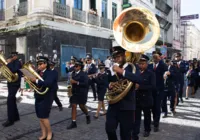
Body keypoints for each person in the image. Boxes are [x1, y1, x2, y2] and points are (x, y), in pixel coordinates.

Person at [105, 46, 141, 140]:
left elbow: (138, 79)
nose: (118, 58)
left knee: (125, 135)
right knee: (109, 129)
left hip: (127, 106)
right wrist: (109, 85)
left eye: (120, 55)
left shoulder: (133, 67)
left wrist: (121, 71)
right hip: (113, 105)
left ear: (125, 55)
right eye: (115, 57)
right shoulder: (112, 69)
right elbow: (106, 81)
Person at [29, 56, 55, 140]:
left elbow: (48, 83)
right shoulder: (38, 72)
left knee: (44, 117)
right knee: (40, 117)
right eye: (38, 64)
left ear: (45, 64)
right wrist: (29, 82)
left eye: (40, 64)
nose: (38, 65)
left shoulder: (51, 72)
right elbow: (36, 85)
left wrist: (35, 80)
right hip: (38, 95)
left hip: (47, 97)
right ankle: (44, 134)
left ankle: (50, 133)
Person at [132, 54, 156, 139]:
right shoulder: (135, 72)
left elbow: (153, 87)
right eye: (140, 63)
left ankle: (147, 130)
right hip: (137, 99)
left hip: (146, 99)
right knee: (137, 118)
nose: (141, 65)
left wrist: (140, 87)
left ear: (147, 64)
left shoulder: (151, 74)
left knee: (147, 116)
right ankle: (135, 132)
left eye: (143, 63)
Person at [67, 60, 91, 129]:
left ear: (80, 67)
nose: (75, 67)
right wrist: (70, 88)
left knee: (81, 106)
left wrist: (76, 82)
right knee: (74, 106)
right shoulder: (73, 73)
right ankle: (73, 122)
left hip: (82, 92)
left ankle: (87, 115)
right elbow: (69, 70)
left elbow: (86, 84)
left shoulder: (84, 74)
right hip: (74, 92)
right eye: (75, 66)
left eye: (76, 66)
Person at [148, 53, 167, 132]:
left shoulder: (163, 65)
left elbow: (166, 71)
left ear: (159, 58)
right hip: (150, 90)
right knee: (152, 107)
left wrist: (166, 74)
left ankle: (156, 124)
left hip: (159, 90)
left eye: (157, 57)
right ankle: (154, 119)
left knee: (157, 107)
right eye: (154, 58)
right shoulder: (149, 66)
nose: (155, 59)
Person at [2, 52, 22, 127]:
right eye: (11, 56)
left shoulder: (17, 62)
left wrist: (8, 63)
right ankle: (16, 117)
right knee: (12, 99)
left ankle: (10, 120)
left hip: (15, 84)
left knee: (9, 100)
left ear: (16, 56)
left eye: (13, 56)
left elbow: (14, 70)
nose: (12, 57)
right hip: (11, 83)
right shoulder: (13, 62)